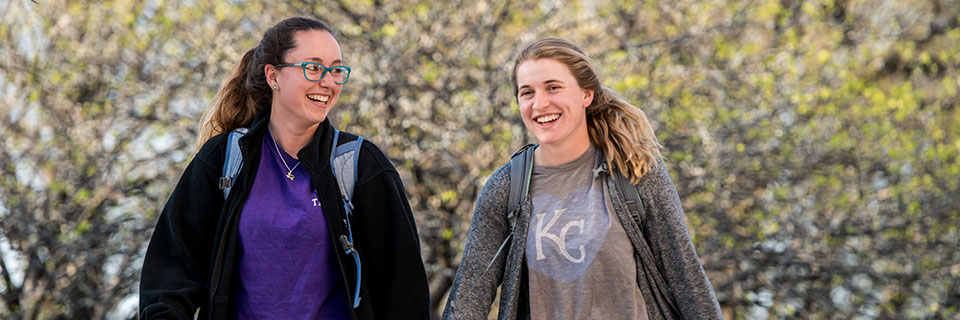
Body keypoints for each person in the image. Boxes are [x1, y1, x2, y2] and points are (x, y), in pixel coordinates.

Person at [139, 17, 429, 320]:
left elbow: (403, 294)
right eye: (313, 68)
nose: (328, 82)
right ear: (273, 76)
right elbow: (171, 273)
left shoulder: (362, 166)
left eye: (336, 70)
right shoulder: (225, 158)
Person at [442, 38, 723, 319]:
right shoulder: (506, 187)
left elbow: (686, 277)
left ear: (586, 94)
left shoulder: (634, 170)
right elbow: (469, 295)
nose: (539, 103)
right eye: (527, 92)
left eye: (553, 87)